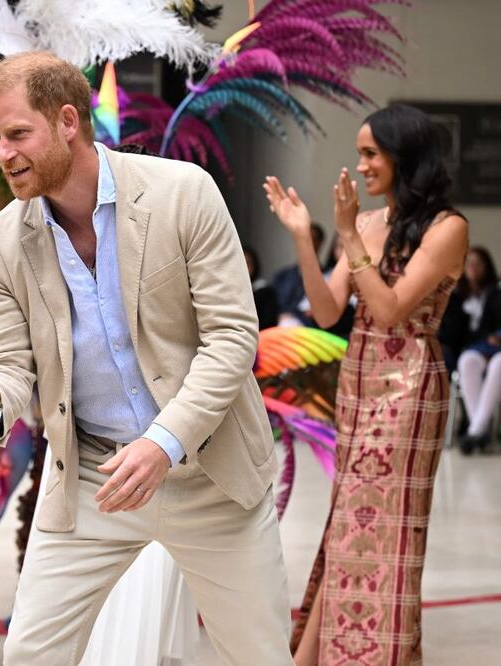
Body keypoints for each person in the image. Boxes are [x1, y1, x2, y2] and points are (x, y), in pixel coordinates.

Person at [0, 51, 292, 665]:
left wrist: (164, 442)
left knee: (260, 655)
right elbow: (7, 367)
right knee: (30, 655)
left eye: (17, 134)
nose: (3, 153)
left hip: (210, 475)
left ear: (67, 120)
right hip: (92, 480)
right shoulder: (0, 243)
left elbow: (232, 340)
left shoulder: (182, 193)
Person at [264, 103, 468, 665]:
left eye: (371, 153)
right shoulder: (370, 225)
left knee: (387, 534)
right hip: (359, 383)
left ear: (404, 156)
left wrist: (350, 235)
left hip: (410, 390)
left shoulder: (448, 228)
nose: (361, 165)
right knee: (349, 526)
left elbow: (391, 308)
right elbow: (329, 311)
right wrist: (305, 237)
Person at [455, 247, 501, 453]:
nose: (472, 267)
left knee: (499, 364)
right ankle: (479, 431)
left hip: (496, 346)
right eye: (469, 262)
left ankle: (475, 432)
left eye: (478, 263)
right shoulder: (456, 295)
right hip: (473, 348)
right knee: (467, 361)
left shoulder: (495, 292)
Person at [273, 221, 326, 325]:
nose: (308, 244)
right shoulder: (282, 277)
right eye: (303, 239)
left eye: (312, 239)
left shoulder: (328, 276)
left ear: (320, 243)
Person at [245, 245, 280, 329]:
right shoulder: (227, 292)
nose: (244, 268)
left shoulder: (265, 292)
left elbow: (269, 323)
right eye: (240, 263)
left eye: (248, 263)